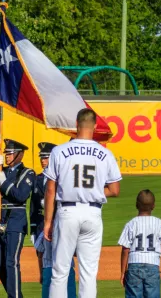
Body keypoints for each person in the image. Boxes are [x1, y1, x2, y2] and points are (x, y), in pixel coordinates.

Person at [43, 108, 122, 298]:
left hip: (68, 211)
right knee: (88, 273)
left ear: (76, 125)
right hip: (93, 213)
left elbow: (51, 189)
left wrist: (48, 222)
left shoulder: (59, 151)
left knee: (60, 271)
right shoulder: (105, 153)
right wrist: (93, 192)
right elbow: (114, 190)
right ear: (94, 127)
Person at [0, 138, 36, 298]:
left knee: (11, 261)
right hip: (0, 220)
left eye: (10, 153)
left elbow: (21, 195)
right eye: (6, 153)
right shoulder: (1, 170)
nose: (7, 155)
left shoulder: (27, 173)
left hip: (15, 221)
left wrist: (4, 183)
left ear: (20, 155)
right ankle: (15, 293)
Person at [118, 189, 161, 298]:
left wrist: (123, 272)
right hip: (152, 265)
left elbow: (125, 249)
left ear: (136, 205)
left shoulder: (131, 224)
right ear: (153, 206)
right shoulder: (159, 223)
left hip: (133, 266)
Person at [31, 142, 56, 283]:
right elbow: (33, 205)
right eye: (41, 157)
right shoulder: (38, 179)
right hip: (40, 222)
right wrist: (33, 227)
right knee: (40, 252)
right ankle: (43, 278)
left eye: (46, 157)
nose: (42, 160)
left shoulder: (60, 178)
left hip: (55, 221)